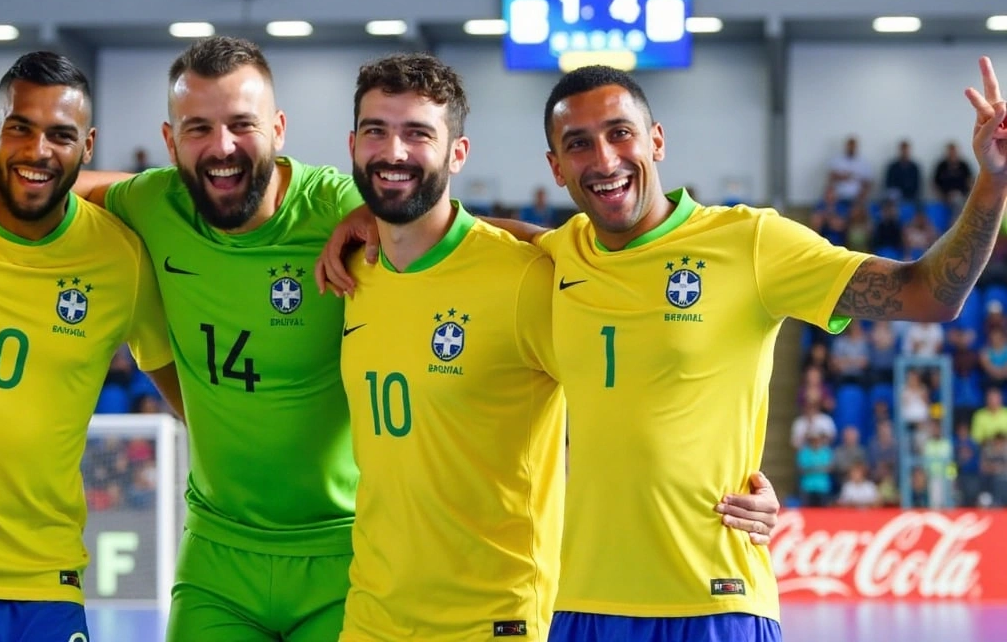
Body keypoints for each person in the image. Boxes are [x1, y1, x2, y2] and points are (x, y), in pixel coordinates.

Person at [0, 36, 782, 641]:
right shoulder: (151, 206)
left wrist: (718, 467)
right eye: (198, 130)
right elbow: (51, 173)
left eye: (242, 125)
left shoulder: (354, 203)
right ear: (169, 143)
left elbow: (480, 244)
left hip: (346, 556)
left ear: (283, 132)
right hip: (218, 552)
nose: (222, 147)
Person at [322, 57, 1007, 641]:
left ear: (656, 140)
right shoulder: (559, 256)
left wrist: (992, 182)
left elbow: (927, 295)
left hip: (712, 601)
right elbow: (471, 233)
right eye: (579, 145)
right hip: (582, 606)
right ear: (557, 168)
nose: (605, 159)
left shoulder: (751, 244)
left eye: (620, 135)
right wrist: (373, 215)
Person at [0, 51, 178, 641]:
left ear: (88, 144)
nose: (38, 150)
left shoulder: (121, 257)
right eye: (19, 127)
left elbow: (191, 399)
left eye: (60, 135)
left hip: (41, 585)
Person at [337, 53, 565, 641]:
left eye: (418, 134)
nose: (394, 152)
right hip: (371, 616)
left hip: (493, 619)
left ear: (457, 154)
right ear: (353, 145)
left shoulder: (522, 278)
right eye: (376, 132)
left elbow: (627, 392)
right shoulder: (350, 272)